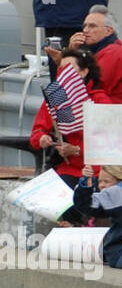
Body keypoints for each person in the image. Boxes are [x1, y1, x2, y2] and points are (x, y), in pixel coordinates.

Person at [31, 47, 100, 186]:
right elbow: (36, 133)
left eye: (69, 69)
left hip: (98, 171)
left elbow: (111, 145)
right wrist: (42, 138)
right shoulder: (56, 98)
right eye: (62, 69)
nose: (64, 74)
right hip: (68, 169)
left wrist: (77, 150)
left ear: (84, 72)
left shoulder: (99, 100)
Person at [66, 6, 122, 105]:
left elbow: (89, 88)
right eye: (84, 26)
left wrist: (68, 57)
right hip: (108, 111)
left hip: (116, 115)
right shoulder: (97, 51)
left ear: (109, 31)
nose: (85, 30)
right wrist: (71, 53)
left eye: (92, 26)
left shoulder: (114, 52)